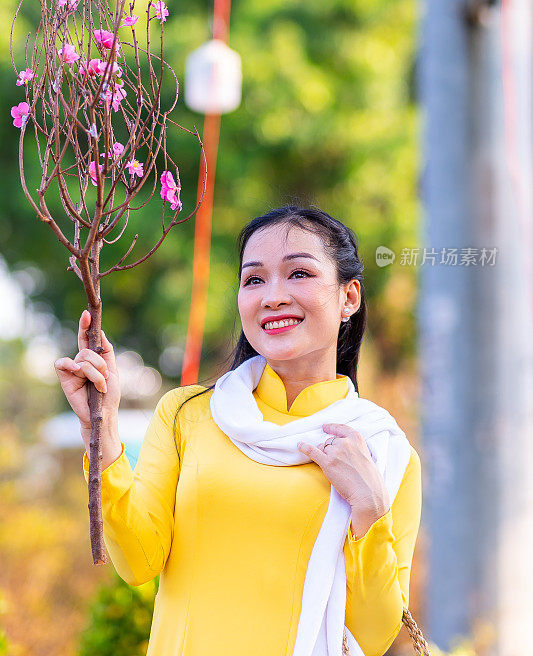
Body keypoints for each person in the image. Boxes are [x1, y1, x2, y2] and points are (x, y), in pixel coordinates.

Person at [55, 204, 422, 656]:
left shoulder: (383, 451)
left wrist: (369, 506)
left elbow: (374, 631)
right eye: (254, 279)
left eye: (299, 274)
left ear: (349, 297)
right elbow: (137, 560)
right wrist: (101, 427)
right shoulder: (187, 414)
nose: (273, 296)